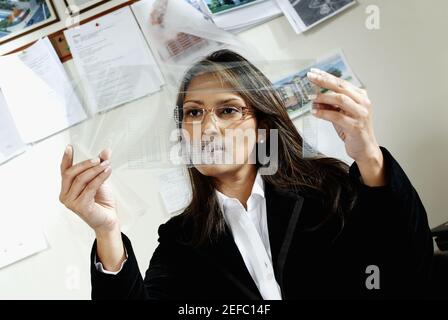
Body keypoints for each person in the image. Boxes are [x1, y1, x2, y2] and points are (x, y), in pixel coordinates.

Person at [59, 49, 433, 299]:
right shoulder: (182, 242)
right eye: (193, 113)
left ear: (261, 125)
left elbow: (408, 263)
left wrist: (368, 156)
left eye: (227, 110)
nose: (207, 129)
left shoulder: (329, 190)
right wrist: (107, 232)